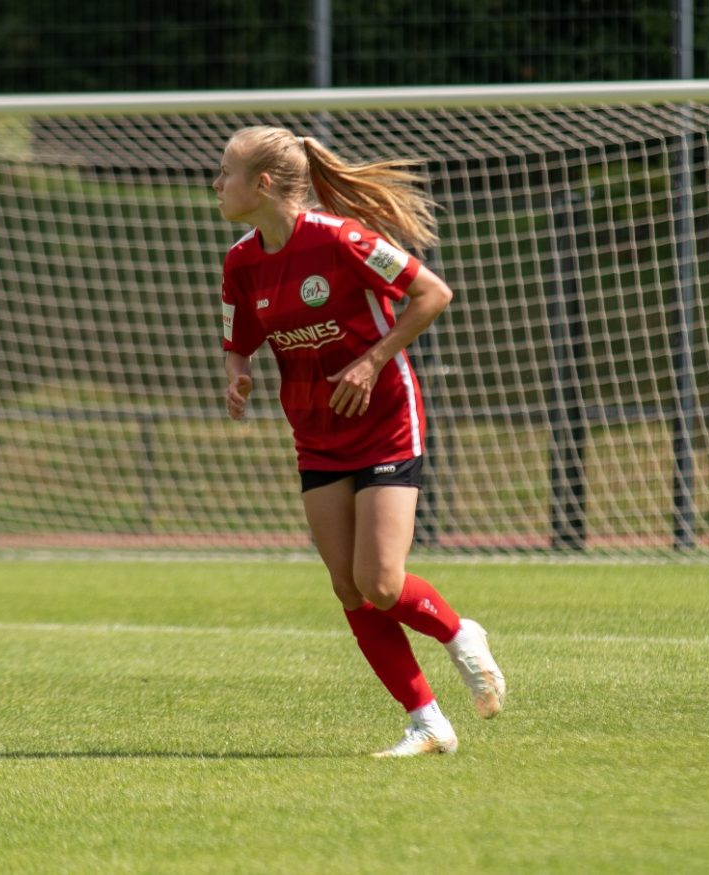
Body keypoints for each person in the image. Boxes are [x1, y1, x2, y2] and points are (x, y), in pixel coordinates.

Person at [213, 125, 505, 757]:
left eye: (226, 173)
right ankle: (427, 722)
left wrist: (372, 361)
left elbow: (432, 293)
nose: (217, 184)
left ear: (263, 184)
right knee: (347, 587)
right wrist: (239, 377)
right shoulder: (240, 260)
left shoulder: (343, 239)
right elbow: (239, 343)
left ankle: (460, 636)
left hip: (383, 419)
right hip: (315, 431)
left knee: (379, 582)